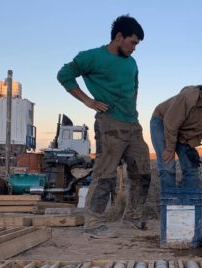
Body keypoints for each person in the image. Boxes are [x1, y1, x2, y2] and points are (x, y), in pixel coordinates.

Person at [57, 15, 151, 237]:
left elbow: (134, 88)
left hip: (132, 124)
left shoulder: (132, 63)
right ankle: (92, 221)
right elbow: (64, 75)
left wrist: (132, 111)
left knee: (143, 171)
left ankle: (133, 217)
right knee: (105, 174)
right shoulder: (92, 57)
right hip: (109, 123)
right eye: (133, 42)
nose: (134, 48)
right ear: (119, 37)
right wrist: (88, 101)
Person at [150, 78, 202, 190]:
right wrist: (170, 148)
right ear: (201, 94)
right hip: (163, 122)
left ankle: (189, 203)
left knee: (191, 167)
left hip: (184, 130)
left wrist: (191, 143)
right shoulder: (187, 98)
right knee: (168, 167)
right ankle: (170, 203)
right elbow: (171, 123)